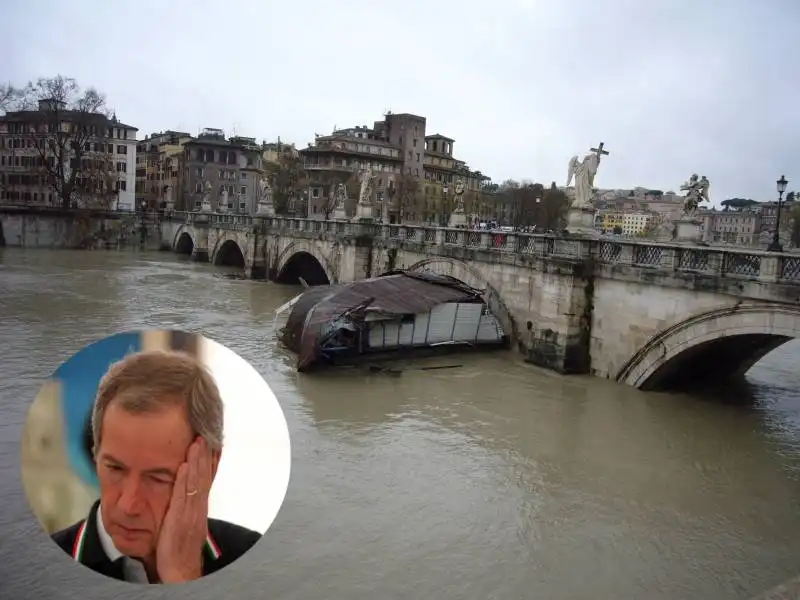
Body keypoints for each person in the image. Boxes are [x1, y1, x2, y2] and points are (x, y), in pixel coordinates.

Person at [50, 350, 262, 584]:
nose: (129, 506)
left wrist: (182, 575)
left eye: (157, 479)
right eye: (115, 469)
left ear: (209, 467)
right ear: (95, 453)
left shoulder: (256, 558)